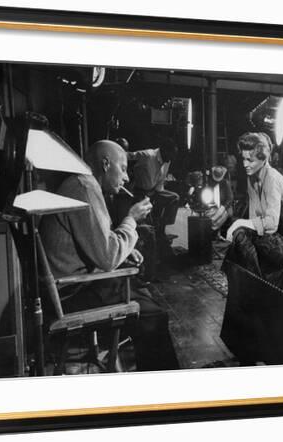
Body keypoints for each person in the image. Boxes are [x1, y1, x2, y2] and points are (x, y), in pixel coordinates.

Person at [40, 139, 179, 372]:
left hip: (74, 286)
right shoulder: (85, 187)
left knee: (144, 297)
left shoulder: (81, 184)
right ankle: (166, 396)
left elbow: (98, 243)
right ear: (106, 164)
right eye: (123, 168)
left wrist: (125, 249)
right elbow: (107, 257)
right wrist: (131, 219)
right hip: (72, 294)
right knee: (154, 316)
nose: (126, 178)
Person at [221, 132, 283, 289]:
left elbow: (272, 224)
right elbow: (255, 216)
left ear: (263, 158)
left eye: (250, 160)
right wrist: (240, 227)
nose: (245, 164)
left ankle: (257, 286)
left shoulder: (272, 178)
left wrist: (239, 223)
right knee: (240, 236)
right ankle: (252, 284)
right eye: (243, 159)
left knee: (240, 234)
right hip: (269, 234)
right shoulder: (252, 176)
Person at [128, 140, 180, 256]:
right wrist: (130, 175)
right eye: (172, 154)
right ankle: (151, 241)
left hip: (155, 191)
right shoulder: (147, 155)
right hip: (140, 193)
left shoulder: (167, 160)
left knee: (174, 198)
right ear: (164, 151)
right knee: (148, 226)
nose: (173, 158)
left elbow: (160, 183)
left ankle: (161, 225)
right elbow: (127, 156)